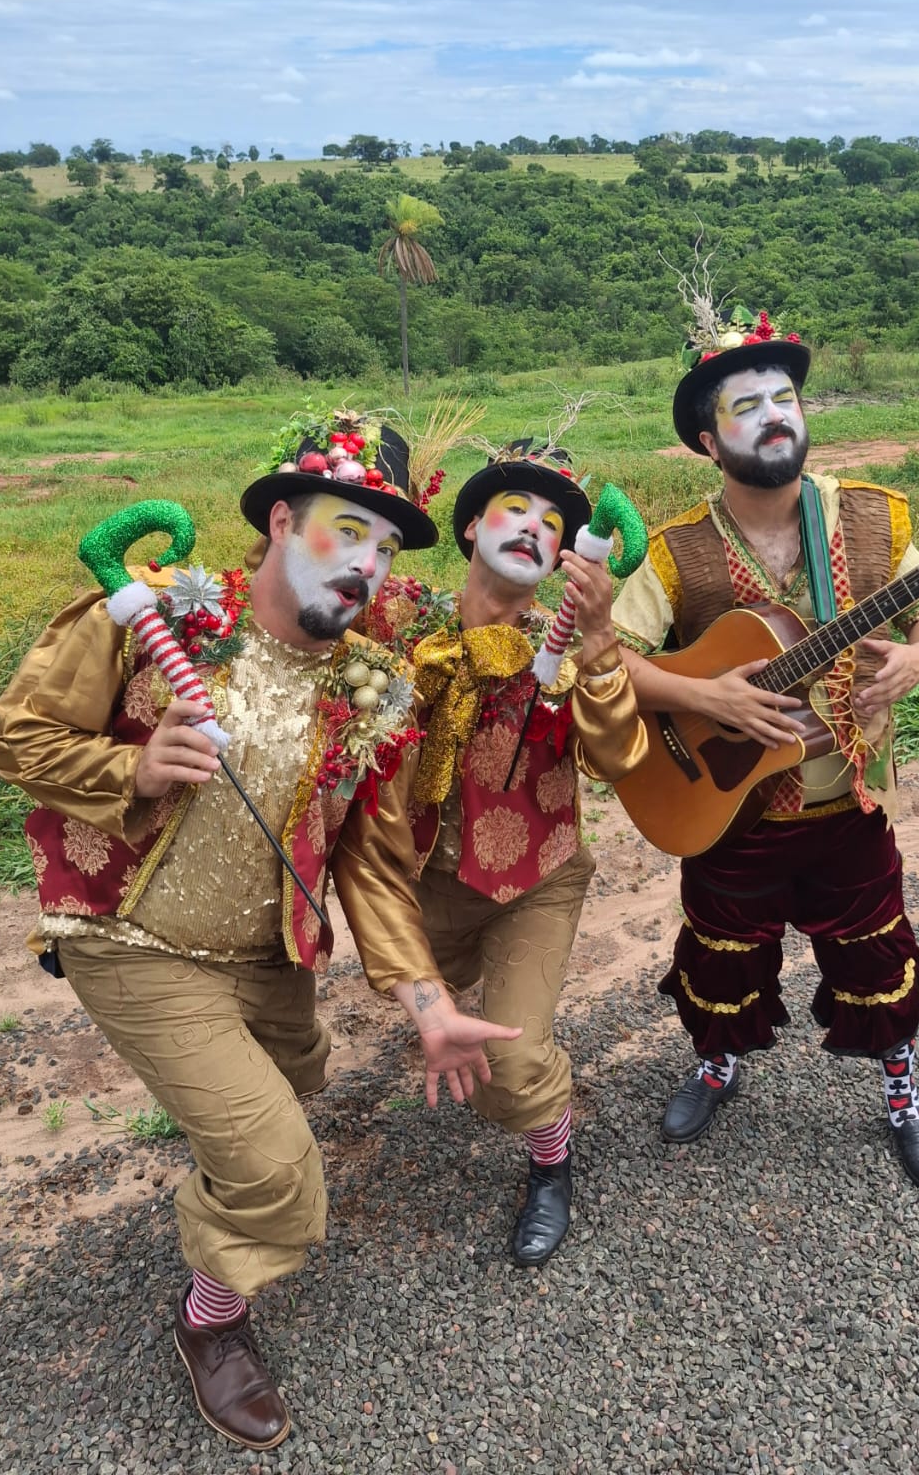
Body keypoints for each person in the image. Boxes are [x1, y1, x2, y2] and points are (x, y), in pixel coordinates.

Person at [0, 410, 519, 1452]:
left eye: (385, 546)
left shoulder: (372, 690)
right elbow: (22, 735)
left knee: (293, 1083)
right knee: (276, 1166)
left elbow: (371, 867)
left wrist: (429, 1006)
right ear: (280, 519)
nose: (367, 564)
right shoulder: (158, 618)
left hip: (267, 952)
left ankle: (226, 1162)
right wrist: (132, 768)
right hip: (132, 936)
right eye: (345, 530)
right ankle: (209, 1323)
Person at [611, 313, 919, 1190]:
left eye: (785, 398)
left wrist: (918, 658)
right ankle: (719, 1064)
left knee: (877, 952)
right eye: (747, 406)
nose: (774, 415)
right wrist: (706, 697)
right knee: (721, 951)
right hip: (728, 810)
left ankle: (902, 1092)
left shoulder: (871, 519)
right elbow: (609, 661)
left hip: (848, 803)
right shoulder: (677, 551)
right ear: (707, 440)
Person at [367, 439, 646, 1265]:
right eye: (514, 509)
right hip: (418, 880)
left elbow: (618, 758)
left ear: (565, 558)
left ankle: (552, 1162)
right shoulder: (399, 623)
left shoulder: (567, 655)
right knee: (406, 996)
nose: (533, 527)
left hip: (534, 882)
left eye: (553, 524)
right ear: (470, 529)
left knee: (512, 1064)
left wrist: (599, 638)